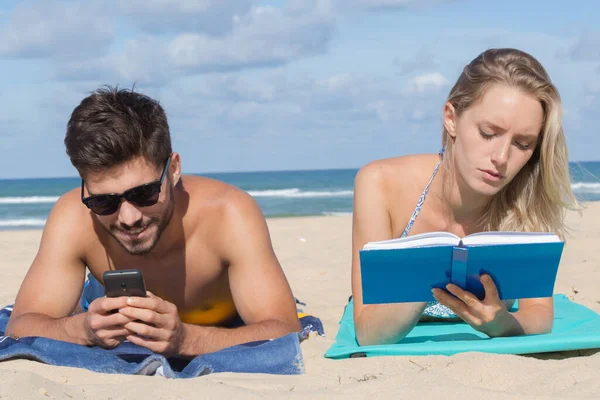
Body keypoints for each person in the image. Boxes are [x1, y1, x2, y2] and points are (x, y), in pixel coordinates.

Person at [6, 86, 301, 357]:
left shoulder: (229, 214)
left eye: (144, 193)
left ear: (173, 170)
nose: (128, 218)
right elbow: (20, 326)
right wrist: (81, 330)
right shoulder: (72, 216)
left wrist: (187, 340)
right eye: (103, 201)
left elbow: (283, 328)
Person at [351, 48, 578, 346]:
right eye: (487, 133)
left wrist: (502, 324)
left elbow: (539, 314)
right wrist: (428, 271)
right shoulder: (380, 184)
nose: (501, 157)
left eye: (523, 144)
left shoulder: (526, 200)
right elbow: (368, 332)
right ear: (451, 118)